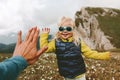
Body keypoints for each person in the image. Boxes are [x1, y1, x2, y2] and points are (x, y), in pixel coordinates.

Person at [40, 16, 110, 80]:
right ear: (59, 30)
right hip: (66, 75)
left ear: (73, 30)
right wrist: (44, 36)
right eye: (61, 28)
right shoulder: (55, 42)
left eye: (68, 28)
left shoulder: (78, 42)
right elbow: (45, 49)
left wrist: (104, 55)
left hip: (79, 74)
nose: (65, 31)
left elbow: (89, 53)